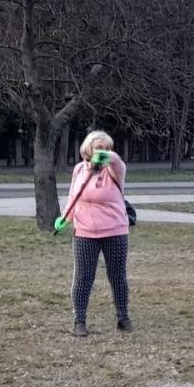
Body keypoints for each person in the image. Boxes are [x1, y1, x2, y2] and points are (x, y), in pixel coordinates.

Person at [67, 131, 132, 336]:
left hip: (115, 230)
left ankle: (123, 317)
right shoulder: (79, 169)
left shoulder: (115, 169)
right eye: (97, 147)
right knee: (83, 277)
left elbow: (116, 159)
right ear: (87, 149)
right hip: (85, 231)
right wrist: (65, 218)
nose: (103, 151)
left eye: (106, 148)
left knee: (117, 276)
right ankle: (79, 321)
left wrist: (103, 156)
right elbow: (73, 196)